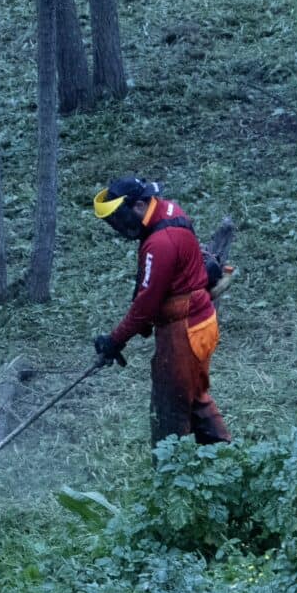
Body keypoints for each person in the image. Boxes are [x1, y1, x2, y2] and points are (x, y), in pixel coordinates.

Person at [91, 176, 232, 447]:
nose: (120, 226)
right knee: (195, 398)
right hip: (195, 323)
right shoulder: (167, 212)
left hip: (185, 331)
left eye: (121, 217)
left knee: (173, 407)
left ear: (141, 204)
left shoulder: (161, 242)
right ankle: (224, 456)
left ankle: (173, 469)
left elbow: (146, 304)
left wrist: (115, 340)